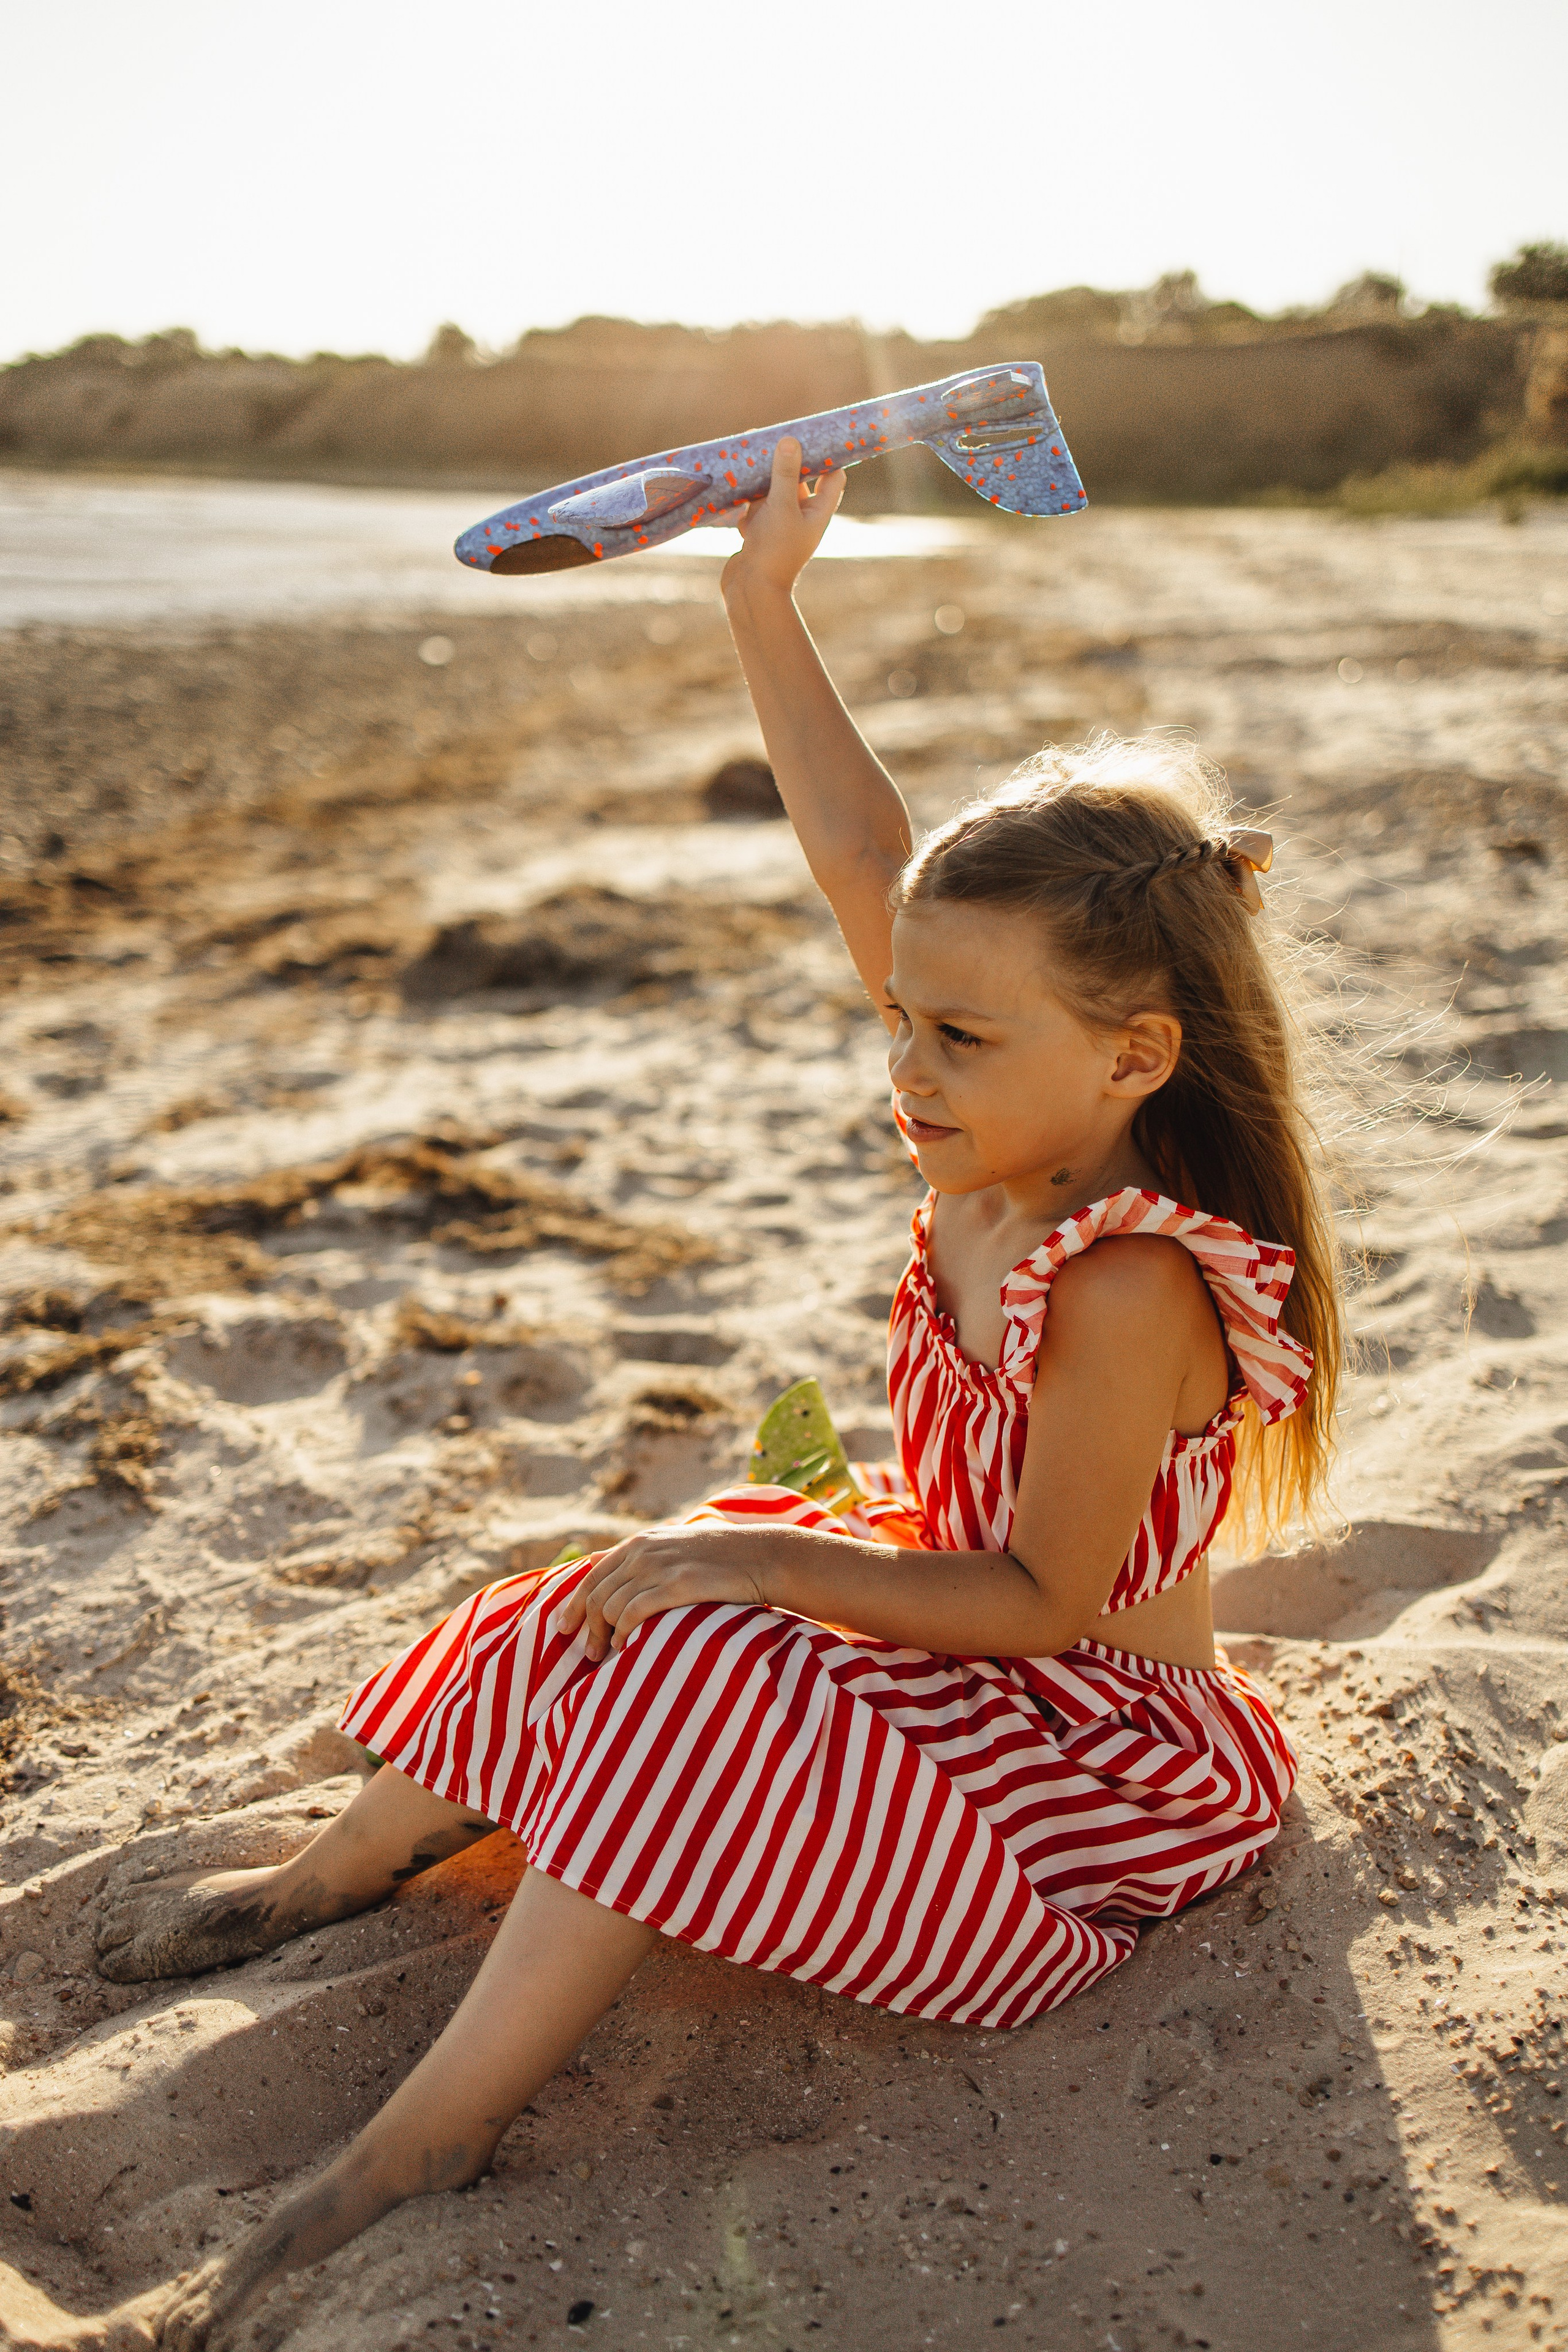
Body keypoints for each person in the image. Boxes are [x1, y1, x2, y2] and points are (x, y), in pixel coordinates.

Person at [105, 442, 1342, 2350]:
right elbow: (862, 853)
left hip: (1096, 1767)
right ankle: (333, 1870)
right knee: (619, 1592)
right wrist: (760, 592)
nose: (905, 1067)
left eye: (955, 1035)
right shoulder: (1005, 1137)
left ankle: (431, 2132)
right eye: (899, 1017)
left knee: (710, 1628)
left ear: (1134, 1059)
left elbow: (1042, 1605)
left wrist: (763, 1574)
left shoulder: (1127, 1282)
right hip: (968, 1653)